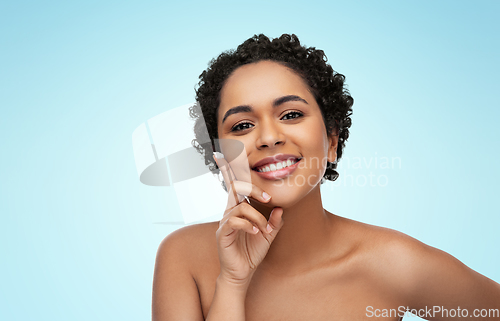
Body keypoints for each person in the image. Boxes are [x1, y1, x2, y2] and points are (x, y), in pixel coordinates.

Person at [152, 34, 500, 320]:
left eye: (290, 114)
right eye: (242, 125)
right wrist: (232, 282)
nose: (269, 137)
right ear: (219, 155)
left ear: (332, 139)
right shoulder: (183, 259)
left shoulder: (394, 264)